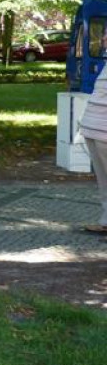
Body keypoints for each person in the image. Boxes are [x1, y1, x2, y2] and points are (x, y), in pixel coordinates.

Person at [79, 50, 107, 235]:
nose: (104, 37)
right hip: (92, 128)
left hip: (104, 130)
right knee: (103, 179)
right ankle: (106, 221)